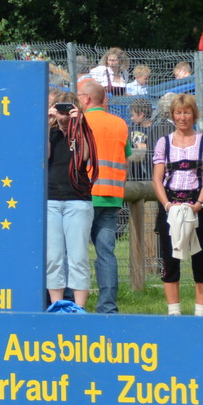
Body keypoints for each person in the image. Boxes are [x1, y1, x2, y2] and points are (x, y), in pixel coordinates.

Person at [151, 93, 203, 316]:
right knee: (170, 258)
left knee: (201, 257)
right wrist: (167, 205)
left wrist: (199, 203)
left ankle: (201, 311)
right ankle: (174, 311)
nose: (182, 117)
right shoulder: (164, 143)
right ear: (172, 116)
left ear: (194, 114)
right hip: (171, 205)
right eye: (178, 113)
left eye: (186, 112)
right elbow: (157, 179)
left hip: (197, 205)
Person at [76, 78, 128, 313]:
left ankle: (73, 303)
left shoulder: (81, 121)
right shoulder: (120, 124)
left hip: (84, 195)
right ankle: (108, 307)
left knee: (76, 253)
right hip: (112, 195)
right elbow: (126, 155)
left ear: (86, 99)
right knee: (106, 253)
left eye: (78, 96)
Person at [45, 90, 97, 308]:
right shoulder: (50, 132)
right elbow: (43, 155)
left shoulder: (83, 132)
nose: (64, 116)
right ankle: (57, 304)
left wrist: (79, 123)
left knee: (78, 258)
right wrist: (46, 123)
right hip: (51, 201)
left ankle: (79, 306)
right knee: (53, 258)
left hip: (78, 201)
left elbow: (84, 156)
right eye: (61, 110)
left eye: (68, 111)